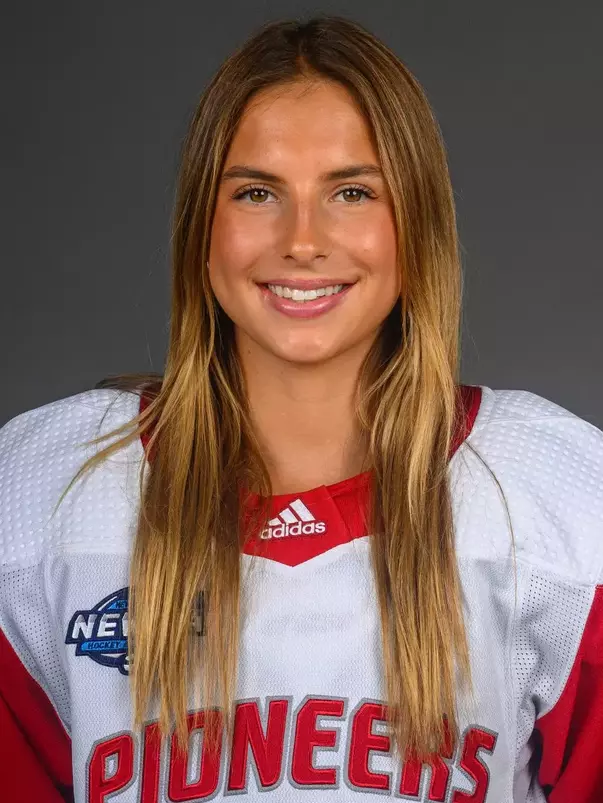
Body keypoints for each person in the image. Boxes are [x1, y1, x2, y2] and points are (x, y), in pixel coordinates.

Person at [0, 14, 602, 803]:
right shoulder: (45, 492)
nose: (303, 240)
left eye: (351, 191)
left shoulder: (554, 497)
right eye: (256, 192)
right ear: (200, 230)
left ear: (413, 224)